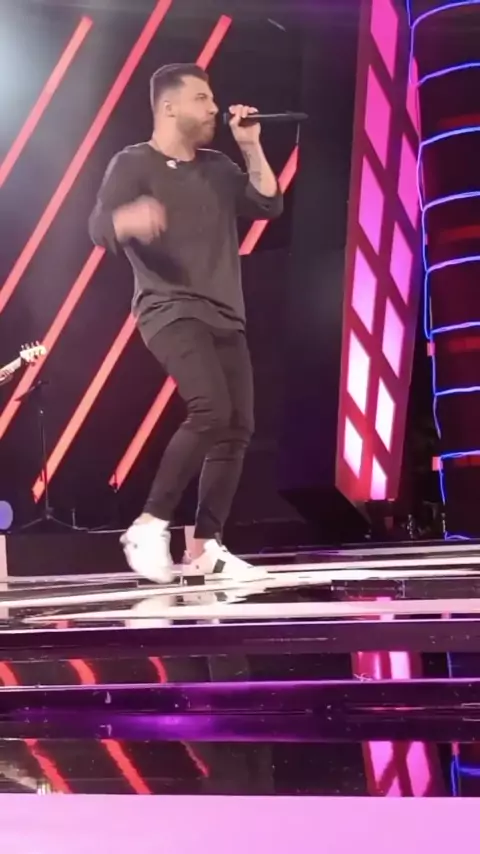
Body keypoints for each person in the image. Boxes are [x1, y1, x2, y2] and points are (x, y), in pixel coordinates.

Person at [89, 63, 283, 584]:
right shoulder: (133, 162)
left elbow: (268, 203)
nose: (215, 108)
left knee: (236, 426)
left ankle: (206, 547)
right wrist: (127, 219)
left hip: (225, 311)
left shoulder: (219, 167)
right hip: (168, 307)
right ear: (169, 106)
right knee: (210, 407)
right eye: (203, 98)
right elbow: (99, 224)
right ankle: (148, 525)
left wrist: (250, 146)